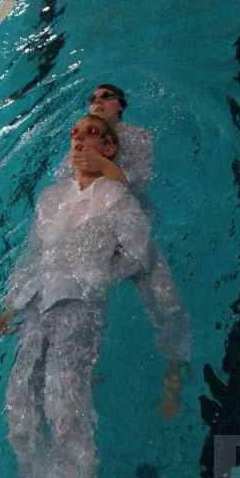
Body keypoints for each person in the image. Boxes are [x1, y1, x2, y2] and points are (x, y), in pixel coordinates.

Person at [0, 114, 186, 478]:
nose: (79, 138)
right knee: (18, 406)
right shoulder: (50, 198)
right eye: (74, 132)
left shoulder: (115, 198)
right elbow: (32, 253)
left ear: (109, 148)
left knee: (65, 410)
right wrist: (11, 300)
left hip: (78, 306)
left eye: (92, 132)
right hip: (37, 304)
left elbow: (139, 254)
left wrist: (96, 276)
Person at [56, 84, 192, 419]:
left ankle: (174, 371)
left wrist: (104, 166)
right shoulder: (79, 142)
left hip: (132, 229)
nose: (97, 102)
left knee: (166, 299)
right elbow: (65, 191)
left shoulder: (139, 137)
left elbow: (138, 182)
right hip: (97, 234)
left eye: (105, 97)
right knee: (81, 298)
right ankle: (84, 369)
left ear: (120, 104)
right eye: (92, 99)